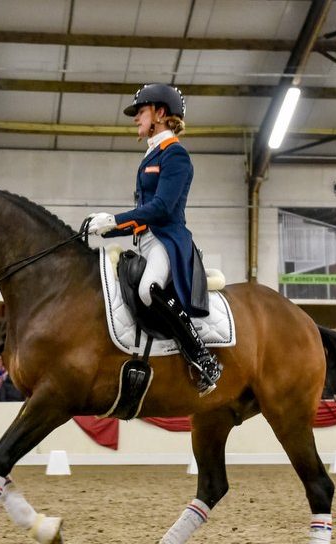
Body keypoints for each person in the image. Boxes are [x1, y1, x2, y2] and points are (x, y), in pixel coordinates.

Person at [83, 83, 221, 396]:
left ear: (160, 113)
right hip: (146, 239)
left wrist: (115, 220)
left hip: (167, 240)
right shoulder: (152, 155)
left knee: (149, 289)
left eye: (141, 112)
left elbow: (160, 209)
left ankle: (202, 357)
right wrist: (106, 228)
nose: (136, 119)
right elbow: (143, 214)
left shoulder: (176, 155)